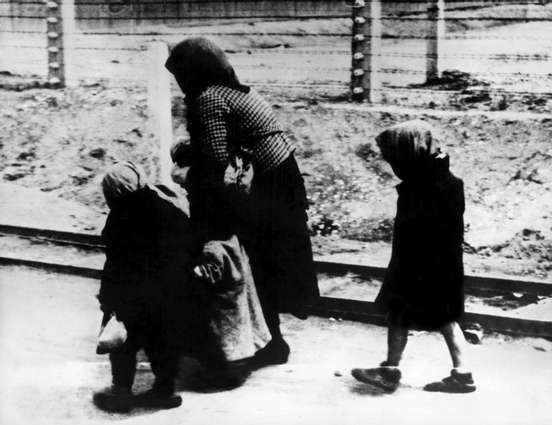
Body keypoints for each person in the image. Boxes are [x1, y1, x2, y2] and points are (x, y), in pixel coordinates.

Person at [165, 37, 319, 367]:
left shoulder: (208, 97)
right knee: (263, 262)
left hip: (265, 188)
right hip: (280, 180)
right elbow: (222, 146)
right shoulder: (234, 91)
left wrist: (188, 178)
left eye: (180, 75)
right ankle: (269, 341)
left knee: (247, 260)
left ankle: (265, 344)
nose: (179, 83)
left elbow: (216, 160)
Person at [351, 120, 476, 394]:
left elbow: (412, 232)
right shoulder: (450, 182)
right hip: (446, 264)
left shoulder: (419, 188)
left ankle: (389, 370)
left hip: (416, 264)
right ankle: (463, 374)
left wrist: (402, 268)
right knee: (446, 318)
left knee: (398, 314)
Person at [93, 162, 194, 412]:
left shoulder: (120, 217)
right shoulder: (165, 207)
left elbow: (115, 264)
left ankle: (122, 393)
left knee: (122, 344)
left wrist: (107, 298)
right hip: (168, 294)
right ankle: (164, 391)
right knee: (162, 341)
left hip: (132, 297)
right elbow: (188, 245)